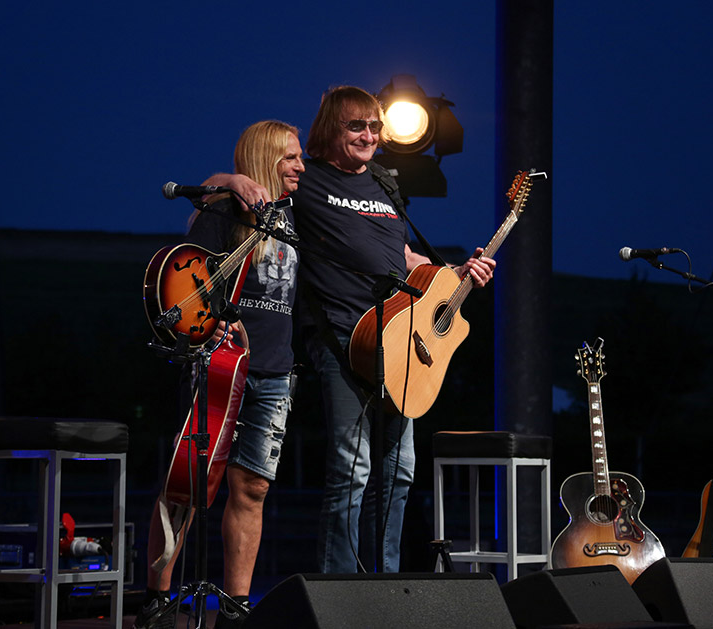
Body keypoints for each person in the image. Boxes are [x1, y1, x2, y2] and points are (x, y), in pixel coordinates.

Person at [213, 86, 495, 574]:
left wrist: (456, 273)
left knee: (399, 473)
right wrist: (235, 179)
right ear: (331, 130)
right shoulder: (309, 178)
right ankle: (339, 590)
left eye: (374, 126)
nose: (368, 135)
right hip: (342, 339)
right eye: (355, 126)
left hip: (400, 343)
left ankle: (383, 583)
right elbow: (219, 189)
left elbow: (403, 258)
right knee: (352, 470)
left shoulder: (384, 184)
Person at [134, 120, 304, 629]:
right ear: (264, 158)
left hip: (274, 370)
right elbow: (187, 275)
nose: (300, 166)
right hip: (219, 363)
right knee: (185, 485)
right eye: (290, 157)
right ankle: (158, 598)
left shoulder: (298, 215)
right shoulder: (224, 209)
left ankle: (235, 606)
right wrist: (229, 182)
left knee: (252, 488)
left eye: (300, 158)